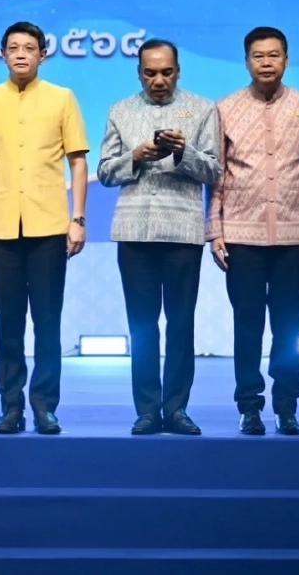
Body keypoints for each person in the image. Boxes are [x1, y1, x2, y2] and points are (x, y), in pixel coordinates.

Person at [0, 21, 90, 436]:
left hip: (49, 226)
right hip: (2, 226)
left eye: (29, 48)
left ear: (43, 54)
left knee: (48, 322)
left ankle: (44, 406)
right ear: (2, 53)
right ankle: (10, 406)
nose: (21, 54)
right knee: (8, 324)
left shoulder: (62, 98)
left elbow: (77, 160)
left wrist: (77, 219)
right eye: (14, 47)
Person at [97, 39, 219, 436]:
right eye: (150, 73)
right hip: (134, 233)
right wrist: (137, 155)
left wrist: (185, 152)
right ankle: (147, 410)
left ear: (178, 71)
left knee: (181, 323)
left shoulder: (202, 109)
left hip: (183, 232)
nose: (159, 80)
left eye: (166, 72)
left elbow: (215, 171)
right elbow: (104, 172)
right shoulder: (120, 110)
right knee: (142, 325)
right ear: (139, 73)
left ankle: (178, 409)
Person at [209, 26, 299, 436]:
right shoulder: (225, 108)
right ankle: (249, 405)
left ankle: (287, 404)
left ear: (286, 59)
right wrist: (215, 230)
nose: (266, 62)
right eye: (258, 56)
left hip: (293, 235)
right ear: (246, 61)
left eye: (274, 55)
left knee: (289, 325)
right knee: (248, 325)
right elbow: (217, 176)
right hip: (241, 235)